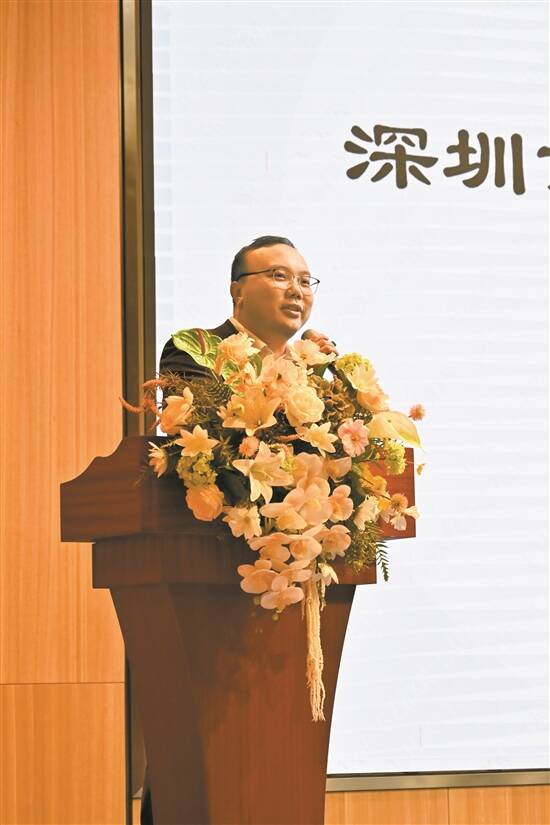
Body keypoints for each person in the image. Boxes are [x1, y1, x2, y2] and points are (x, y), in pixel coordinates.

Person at [140, 235, 336, 825]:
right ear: (237, 290)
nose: (296, 290)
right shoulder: (195, 349)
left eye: (305, 280)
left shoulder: (321, 372)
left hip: (292, 574)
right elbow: (199, 437)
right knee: (203, 743)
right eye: (279, 275)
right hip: (210, 575)